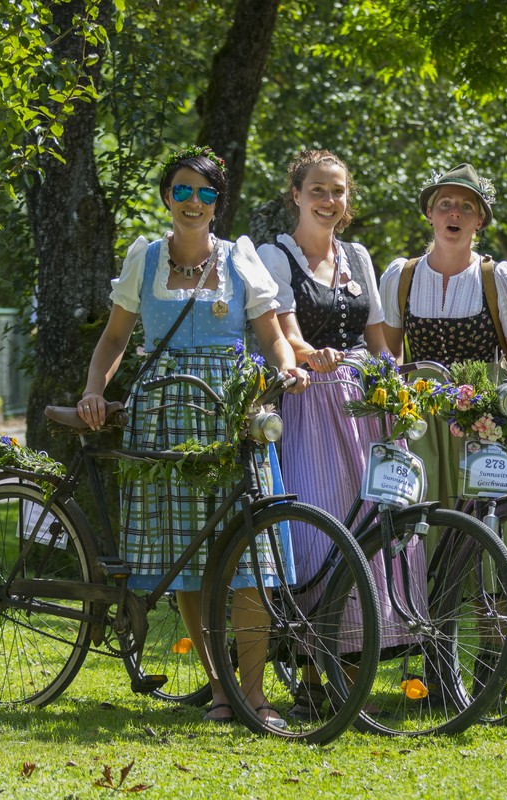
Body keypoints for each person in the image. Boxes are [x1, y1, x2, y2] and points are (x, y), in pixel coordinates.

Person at [77, 145, 308, 726]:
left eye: (206, 193)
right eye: (182, 190)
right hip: (165, 416)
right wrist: (94, 389)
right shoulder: (146, 260)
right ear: (167, 197)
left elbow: (273, 334)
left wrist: (284, 368)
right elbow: (113, 340)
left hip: (231, 411)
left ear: (217, 204)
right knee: (188, 558)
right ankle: (221, 688)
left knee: (251, 555)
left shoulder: (240, 260)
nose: (193, 202)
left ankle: (255, 695)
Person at [257, 149, 426, 718]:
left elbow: (379, 339)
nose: (330, 201)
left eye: (339, 191)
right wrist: (314, 356)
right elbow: (285, 331)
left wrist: (398, 385)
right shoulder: (275, 255)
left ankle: (348, 669)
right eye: (319, 190)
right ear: (296, 194)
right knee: (320, 531)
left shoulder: (356, 255)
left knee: (378, 527)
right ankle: (309, 670)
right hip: (309, 405)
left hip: (366, 406)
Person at [379, 163, 507, 506]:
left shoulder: (498, 278)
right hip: (422, 424)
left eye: (466, 207)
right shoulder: (401, 276)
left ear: (479, 220)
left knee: (489, 525)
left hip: (485, 422)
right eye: (445, 203)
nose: (454, 213)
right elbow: (388, 357)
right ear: (430, 213)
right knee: (424, 520)